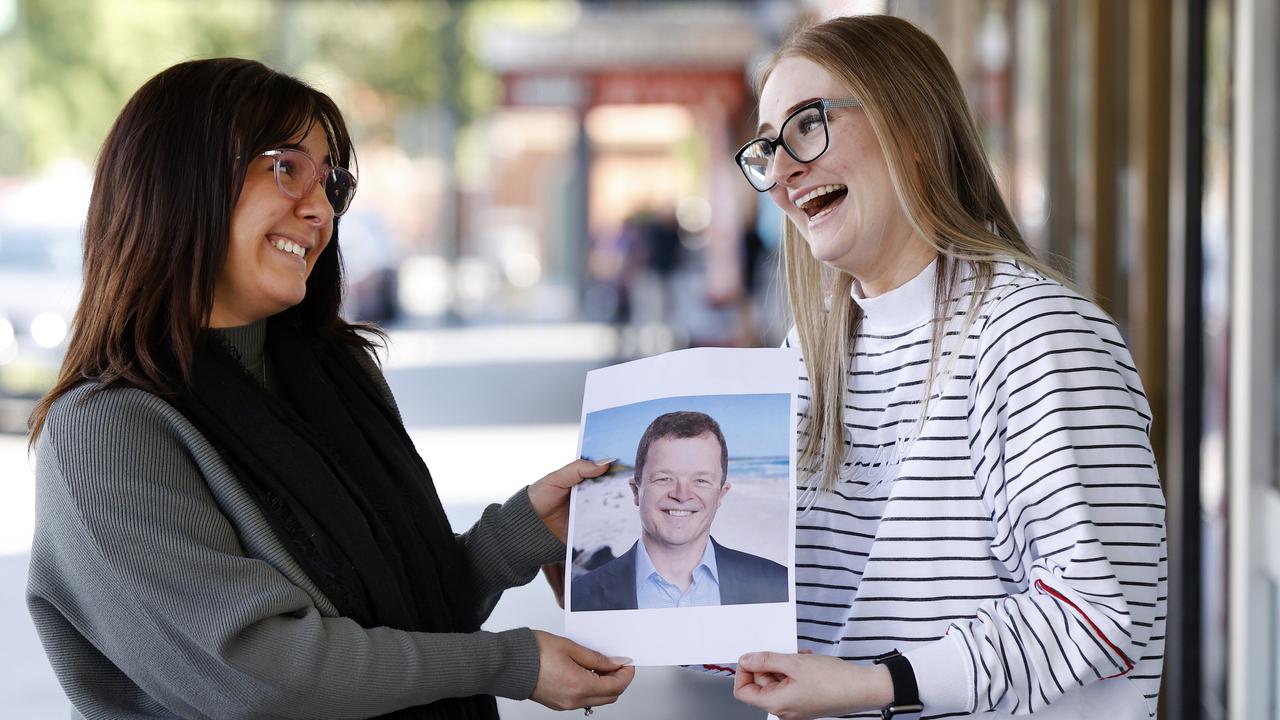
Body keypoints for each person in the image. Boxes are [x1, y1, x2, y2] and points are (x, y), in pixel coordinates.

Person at [24, 58, 633, 720]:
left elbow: (406, 614)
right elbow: (266, 672)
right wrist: (508, 662)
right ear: (180, 180)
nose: (319, 209)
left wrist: (522, 532)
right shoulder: (105, 431)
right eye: (286, 168)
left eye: (331, 182)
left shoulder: (338, 374)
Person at [729, 16, 1165, 720]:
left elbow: (1097, 613)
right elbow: (787, 627)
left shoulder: (1033, 335)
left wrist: (879, 682)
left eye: (808, 125)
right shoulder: (806, 359)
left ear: (913, 128)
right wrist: (627, 581)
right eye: (767, 148)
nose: (782, 172)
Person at [571, 411, 787, 611]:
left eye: (701, 480)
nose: (682, 495)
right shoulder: (581, 597)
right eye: (664, 478)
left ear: (721, 494)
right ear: (636, 491)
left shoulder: (779, 584)